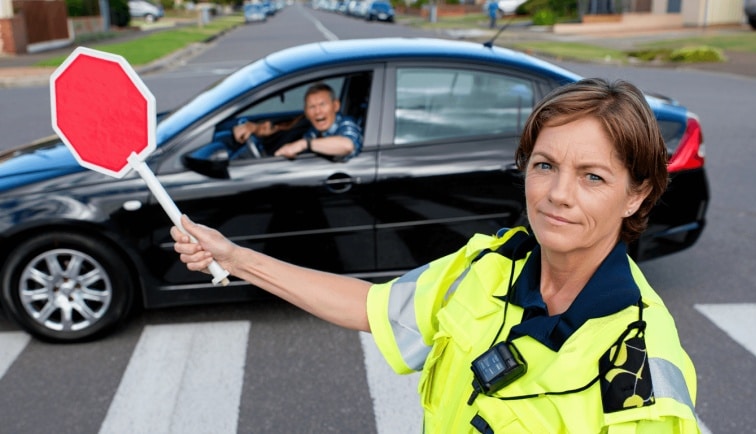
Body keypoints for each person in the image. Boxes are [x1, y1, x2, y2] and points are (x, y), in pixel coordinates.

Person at [171, 78, 700, 433]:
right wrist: (236, 258)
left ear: (637, 194)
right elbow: (370, 306)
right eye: (544, 166)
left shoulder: (643, 367)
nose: (558, 193)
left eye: (592, 176)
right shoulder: (488, 265)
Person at [232, 82, 363, 162]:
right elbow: (282, 128)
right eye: (312, 107)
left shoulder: (346, 124)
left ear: (335, 106)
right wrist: (254, 128)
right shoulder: (314, 130)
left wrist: (304, 144)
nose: (317, 112)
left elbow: (347, 145)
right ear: (306, 112)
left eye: (322, 104)